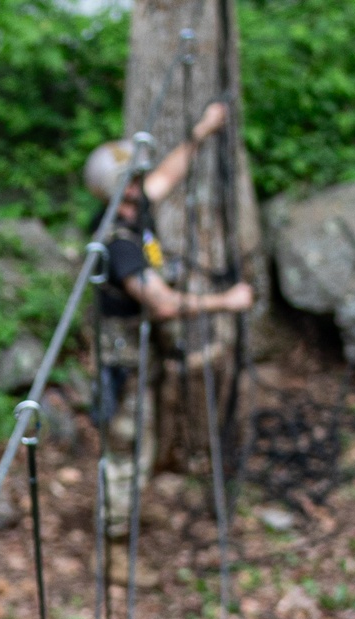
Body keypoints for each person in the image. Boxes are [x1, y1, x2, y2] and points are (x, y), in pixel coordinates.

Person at [85, 107, 254, 542]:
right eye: (134, 181)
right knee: (127, 448)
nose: (144, 186)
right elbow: (161, 303)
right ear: (116, 192)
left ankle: (127, 515)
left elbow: (166, 177)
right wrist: (226, 301)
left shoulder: (133, 210)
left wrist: (199, 134)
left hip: (143, 353)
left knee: (144, 439)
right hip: (124, 361)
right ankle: (116, 538)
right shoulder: (118, 243)